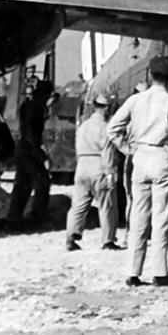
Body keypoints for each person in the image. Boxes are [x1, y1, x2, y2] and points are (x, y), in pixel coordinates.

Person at [107, 56, 168, 288]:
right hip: (161, 157)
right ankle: (160, 272)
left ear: (149, 75)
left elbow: (113, 128)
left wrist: (127, 149)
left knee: (138, 215)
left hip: (139, 157)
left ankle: (133, 272)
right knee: (161, 217)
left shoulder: (135, 100)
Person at [66, 92, 117, 251]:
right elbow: (107, 152)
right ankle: (108, 240)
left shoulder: (83, 126)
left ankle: (71, 236)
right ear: (107, 108)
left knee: (78, 205)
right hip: (98, 165)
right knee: (107, 204)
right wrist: (110, 173)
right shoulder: (106, 127)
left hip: (82, 166)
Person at [7, 77, 54, 225]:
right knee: (42, 181)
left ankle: (14, 218)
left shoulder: (30, 105)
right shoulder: (35, 108)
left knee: (22, 184)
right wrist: (40, 155)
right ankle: (37, 216)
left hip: (24, 148)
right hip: (29, 148)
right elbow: (30, 133)